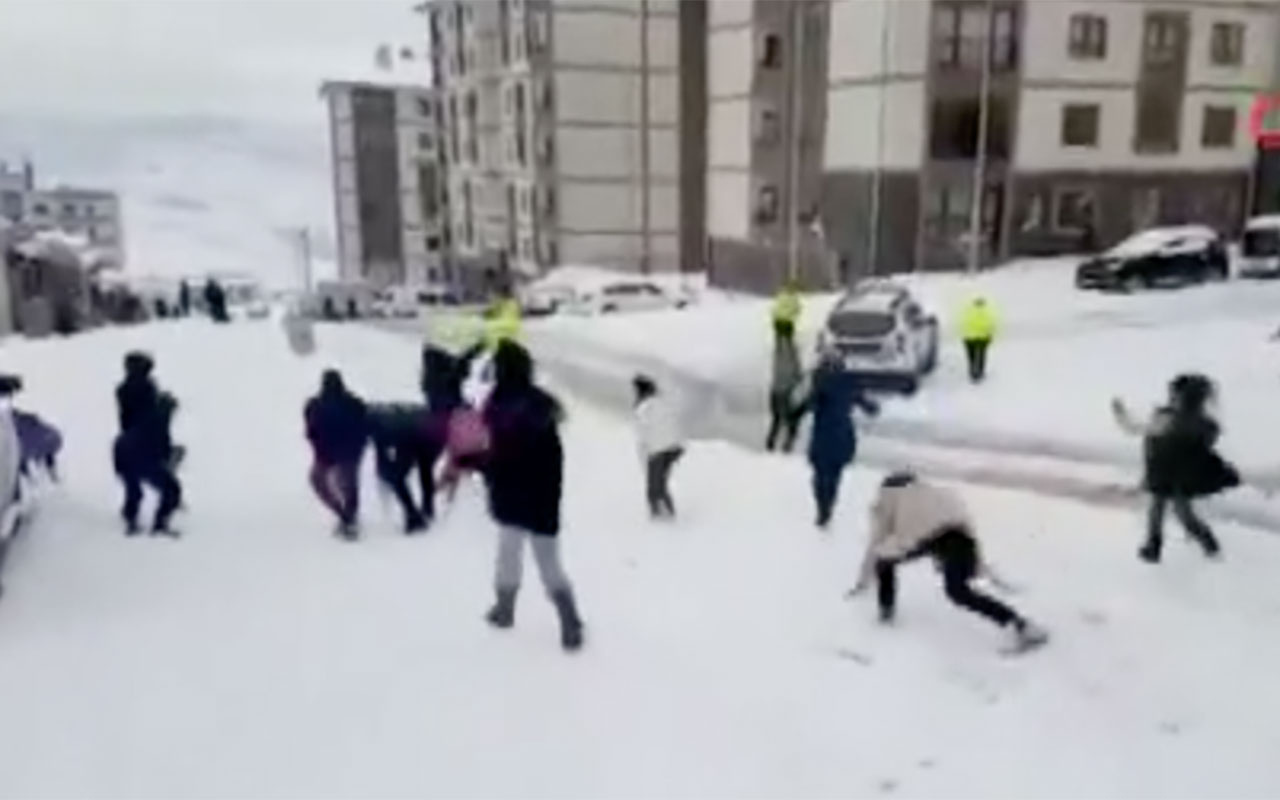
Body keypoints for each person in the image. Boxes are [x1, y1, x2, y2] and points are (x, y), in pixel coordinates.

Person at [847, 471, 1048, 653]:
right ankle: (1022, 626)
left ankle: (886, 612)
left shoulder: (888, 498)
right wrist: (974, 563)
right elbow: (964, 525)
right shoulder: (939, 493)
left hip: (928, 541)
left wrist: (863, 580)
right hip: (959, 541)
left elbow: (877, 542)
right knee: (959, 591)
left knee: (884, 561)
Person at [480, 341, 583, 652]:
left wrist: (487, 471)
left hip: (510, 497)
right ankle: (570, 621)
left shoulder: (496, 403)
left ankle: (505, 610)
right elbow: (554, 457)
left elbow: (494, 452)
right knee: (549, 561)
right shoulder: (542, 404)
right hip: (541, 499)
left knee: (508, 555)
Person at [1113, 374, 1238, 563]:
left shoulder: (1167, 419)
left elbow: (1135, 428)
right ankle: (1207, 544)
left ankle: (1156, 546)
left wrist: (1120, 414)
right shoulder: (1203, 425)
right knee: (1180, 513)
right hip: (1181, 478)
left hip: (1164, 475)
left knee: (1160, 511)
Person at [796, 353, 879, 529]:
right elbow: (868, 406)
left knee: (820, 477)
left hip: (823, 438)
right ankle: (828, 507)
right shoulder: (848, 383)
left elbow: (806, 406)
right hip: (843, 438)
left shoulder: (820, 385)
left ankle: (823, 509)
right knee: (834, 477)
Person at [113, 352, 183, 536]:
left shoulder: (123, 391)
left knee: (133, 489)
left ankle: (131, 520)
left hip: (122, 447)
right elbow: (156, 428)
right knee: (171, 490)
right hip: (143, 448)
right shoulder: (149, 393)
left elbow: (128, 422)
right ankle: (159, 524)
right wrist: (165, 409)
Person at [304, 370, 369, 540]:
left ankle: (342, 514)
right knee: (349, 485)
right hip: (350, 453)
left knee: (318, 482)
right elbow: (366, 427)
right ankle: (350, 518)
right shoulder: (355, 403)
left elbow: (310, 432)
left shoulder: (313, 406)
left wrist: (319, 450)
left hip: (326, 454)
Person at [368, 403, 433, 534]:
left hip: (410, 440)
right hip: (420, 438)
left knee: (396, 478)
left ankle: (414, 517)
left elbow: (381, 454)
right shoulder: (384, 418)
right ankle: (425, 509)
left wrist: (384, 471)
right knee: (407, 475)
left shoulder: (374, 423)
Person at [633, 374, 685, 520]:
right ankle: (668, 513)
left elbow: (643, 438)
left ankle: (659, 518)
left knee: (654, 488)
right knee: (661, 483)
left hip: (658, 450)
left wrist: (645, 461)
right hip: (673, 447)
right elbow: (675, 423)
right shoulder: (663, 403)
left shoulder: (642, 409)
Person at [765, 318, 803, 452]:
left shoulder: (778, 346)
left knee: (777, 419)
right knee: (792, 419)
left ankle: (770, 444)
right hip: (787, 389)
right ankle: (787, 446)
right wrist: (799, 380)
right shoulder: (790, 348)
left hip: (775, 388)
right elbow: (795, 368)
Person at [958, 296, 997, 383]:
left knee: (971, 355)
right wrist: (990, 335)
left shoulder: (968, 312)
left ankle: (972, 371)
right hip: (982, 337)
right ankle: (980, 371)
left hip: (969, 337)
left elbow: (963, 323)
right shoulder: (987, 313)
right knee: (982, 355)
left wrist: (964, 336)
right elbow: (991, 325)